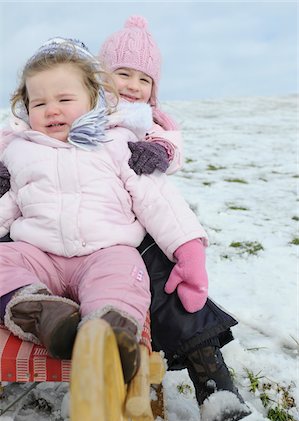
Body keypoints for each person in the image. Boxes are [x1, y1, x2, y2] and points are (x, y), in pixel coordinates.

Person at [0, 37, 209, 386]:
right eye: (39, 103)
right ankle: (41, 312)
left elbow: (157, 200)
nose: (52, 110)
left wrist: (188, 249)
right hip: (38, 253)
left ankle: (109, 332)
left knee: (125, 276)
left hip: (106, 251)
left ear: (94, 100)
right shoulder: (20, 152)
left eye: (65, 100)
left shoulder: (116, 143)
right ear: (24, 109)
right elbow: (8, 205)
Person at [96, 15, 251, 421]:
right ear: (100, 76)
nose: (132, 84)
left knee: (170, 281)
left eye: (143, 79)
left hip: (140, 222)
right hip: (91, 229)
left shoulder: (154, 122)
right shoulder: (81, 112)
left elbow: (172, 147)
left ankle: (213, 381)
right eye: (122, 73)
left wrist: (159, 152)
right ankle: (121, 401)